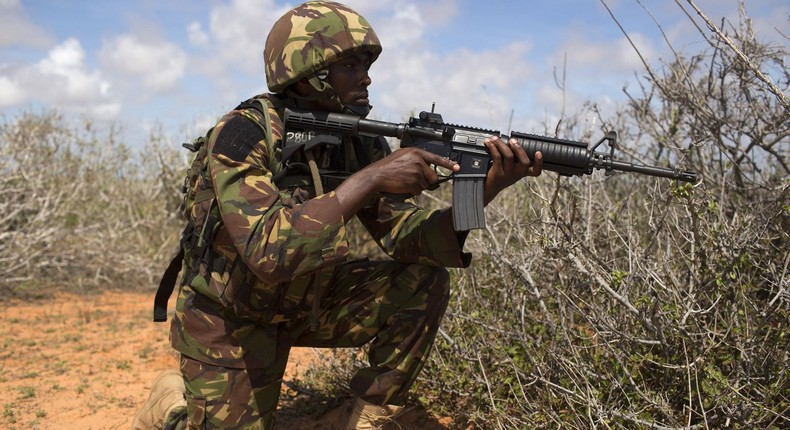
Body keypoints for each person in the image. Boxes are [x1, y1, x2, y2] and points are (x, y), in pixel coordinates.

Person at [132, 1, 543, 429]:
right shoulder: (243, 135)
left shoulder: (359, 139)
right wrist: (369, 179)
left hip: (308, 300)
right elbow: (267, 252)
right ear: (309, 71)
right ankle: (171, 406)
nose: (366, 77)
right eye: (351, 65)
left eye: (367, 63)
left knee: (423, 282)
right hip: (231, 317)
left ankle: (363, 417)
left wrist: (488, 184)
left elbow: (409, 239)